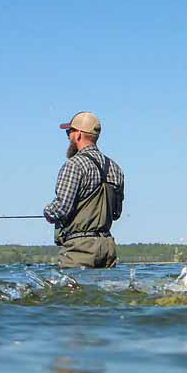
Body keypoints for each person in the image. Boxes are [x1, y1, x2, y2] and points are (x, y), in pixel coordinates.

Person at [43, 111, 125, 268]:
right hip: (107, 248)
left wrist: (47, 212)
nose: (68, 136)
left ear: (78, 134)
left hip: (79, 250)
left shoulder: (74, 165)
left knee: (71, 292)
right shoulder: (116, 168)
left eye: (69, 132)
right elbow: (116, 214)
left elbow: (61, 209)